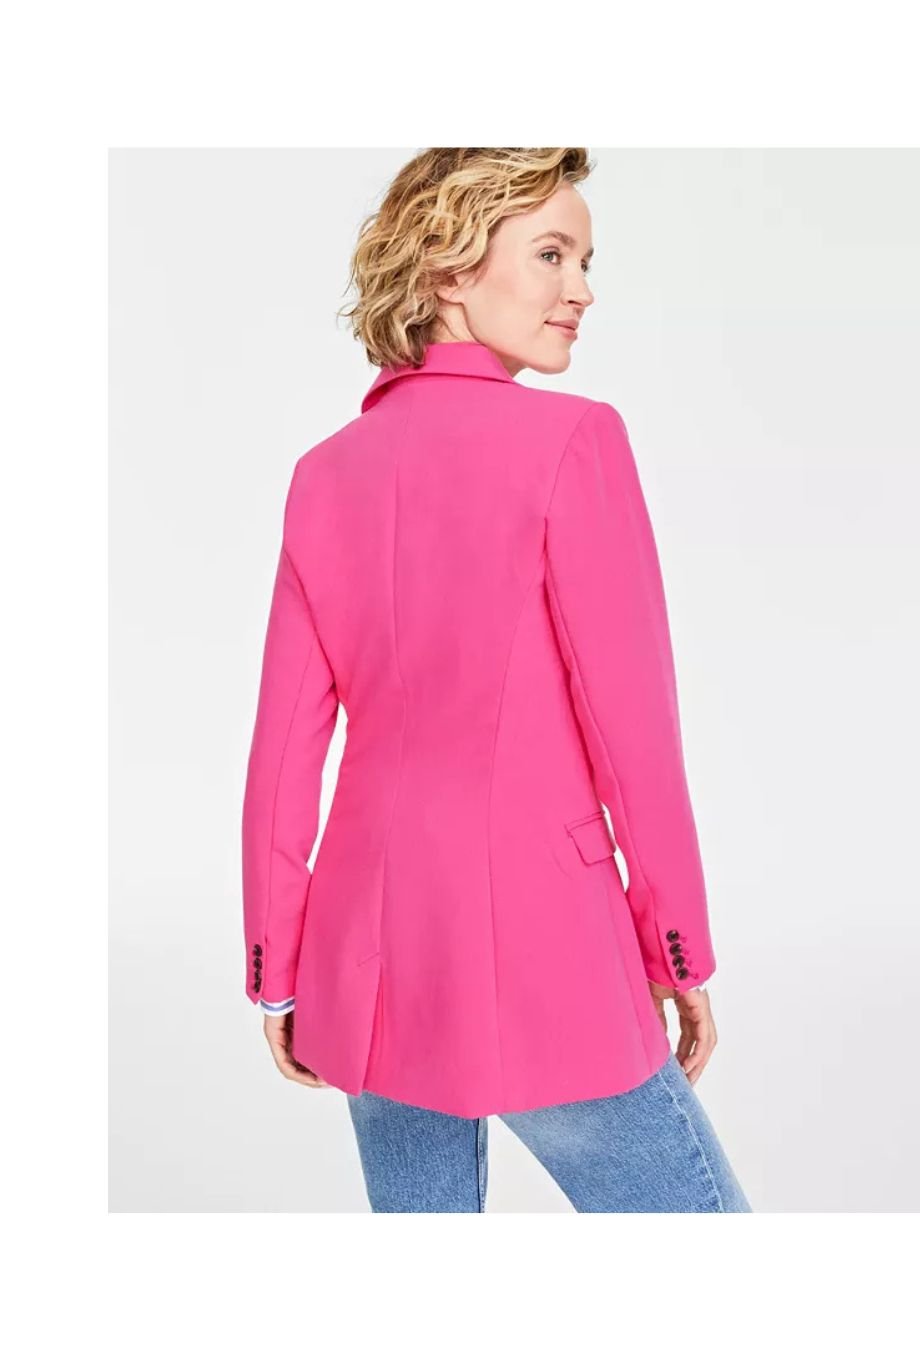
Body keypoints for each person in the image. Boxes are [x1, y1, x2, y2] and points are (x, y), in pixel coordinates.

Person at [241, 147, 752, 1213]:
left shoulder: (323, 475)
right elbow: (632, 735)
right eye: (552, 254)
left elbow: (283, 754)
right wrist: (677, 949)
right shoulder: (574, 440)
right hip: (544, 943)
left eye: (586, 260)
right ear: (447, 268)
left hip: (368, 961)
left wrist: (278, 968)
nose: (583, 289)